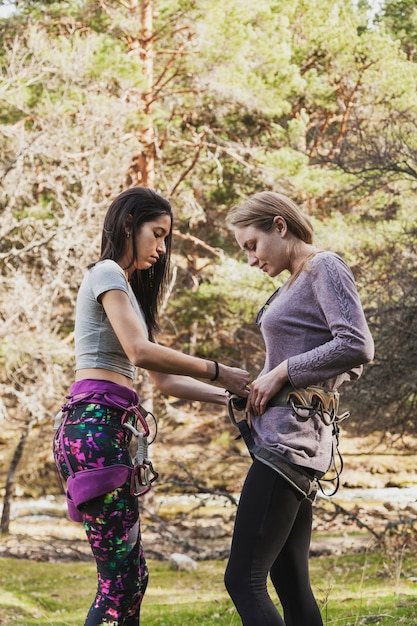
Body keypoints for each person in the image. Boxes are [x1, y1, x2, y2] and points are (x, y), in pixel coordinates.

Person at [53, 186, 250, 626]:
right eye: (157, 234)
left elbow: (163, 379)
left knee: (131, 578)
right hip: (94, 429)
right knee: (120, 583)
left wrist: (232, 396)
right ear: (129, 224)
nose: (161, 249)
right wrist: (218, 369)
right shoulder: (106, 272)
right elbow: (140, 354)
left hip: (106, 429)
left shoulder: (126, 291)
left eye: (166, 239)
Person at [224, 191, 374, 626]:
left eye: (252, 245)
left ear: (280, 225)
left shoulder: (323, 266)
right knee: (289, 580)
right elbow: (338, 361)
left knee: (243, 580)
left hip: (288, 444)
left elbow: (356, 345)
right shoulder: (294, 281)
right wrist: (267, 384)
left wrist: (286, 372)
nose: (250, 259)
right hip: (290, 439)